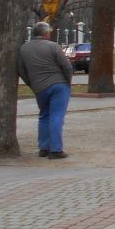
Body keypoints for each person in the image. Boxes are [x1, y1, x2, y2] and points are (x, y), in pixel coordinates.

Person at [18, 21, 73, 159]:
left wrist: (32, 84)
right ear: (47, 33)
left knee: (44, 116)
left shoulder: (24, 49)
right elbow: (66, 66)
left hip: (39, 87)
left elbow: (21, 70)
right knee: (56, 116)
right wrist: (67, 82)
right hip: (58, 84)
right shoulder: (53, 46)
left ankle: (44, 147)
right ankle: (56, 149)